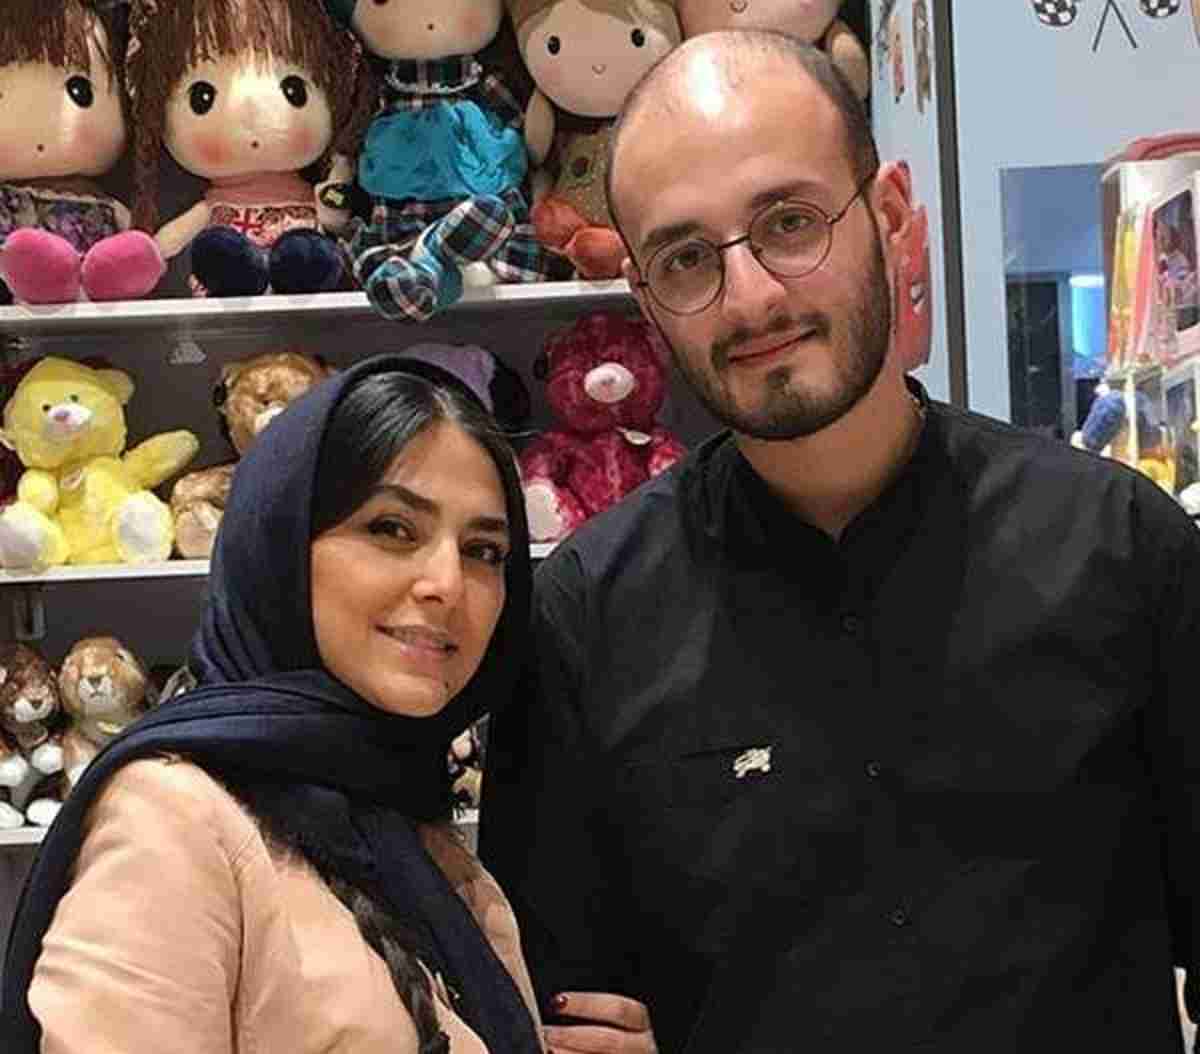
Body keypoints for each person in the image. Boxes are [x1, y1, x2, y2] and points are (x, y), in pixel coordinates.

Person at [480, 29, 1200, 1054]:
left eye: (790, 222)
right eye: (686, 258)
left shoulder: (1124, 552)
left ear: (890, 214)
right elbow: (564, 1011)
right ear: (645, 298)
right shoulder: (585, 621)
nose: (753, 297)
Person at [3, 354, 546, 1054]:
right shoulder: (175, 821)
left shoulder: (401, 810)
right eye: (392, 529)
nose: (448, 581)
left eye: (485, 551)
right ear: (279, 540)